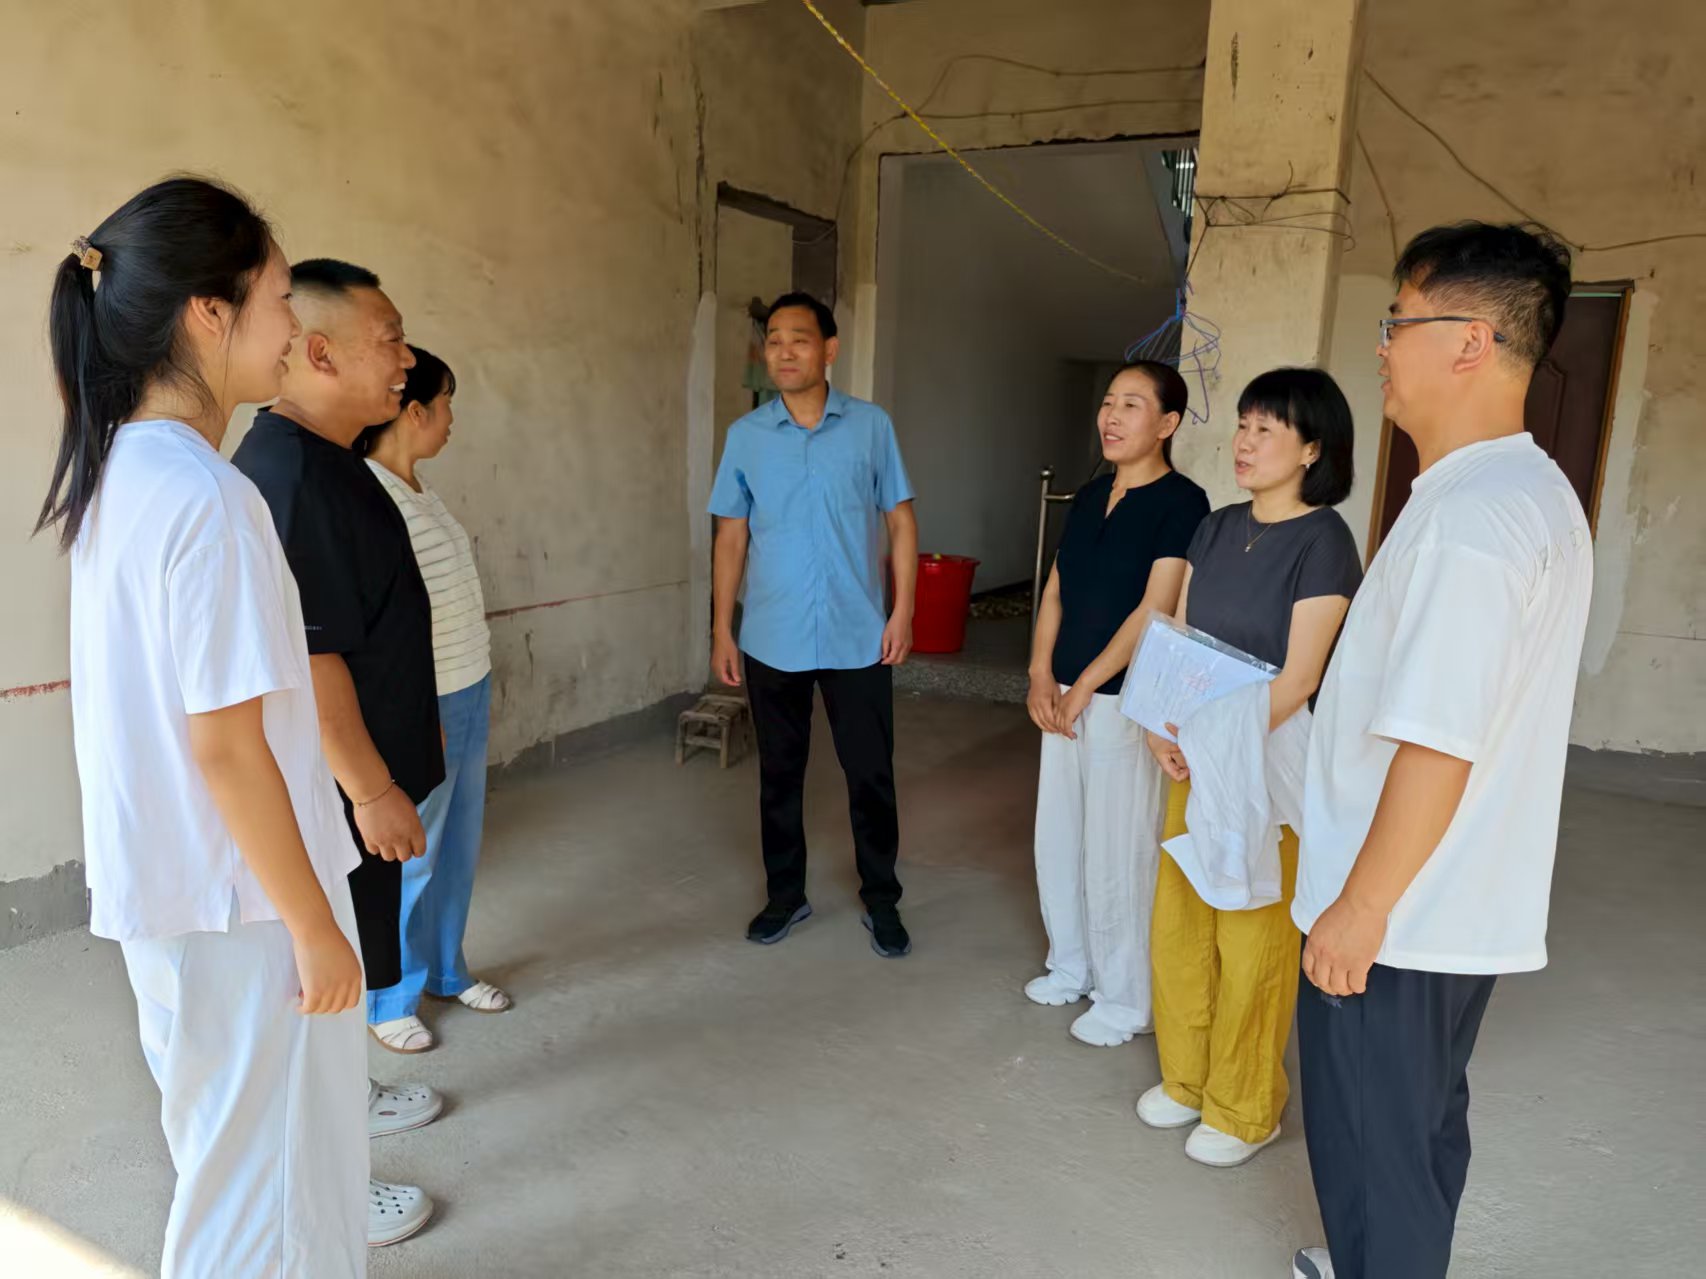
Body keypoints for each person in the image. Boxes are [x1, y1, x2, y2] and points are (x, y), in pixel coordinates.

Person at [38, 176, 369, 1275]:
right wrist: (315, 925)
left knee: (235, 1173)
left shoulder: (121, 475)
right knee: (260, 1205)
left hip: (181, 902)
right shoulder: (212, 502)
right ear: (208, 314)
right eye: (278, 300)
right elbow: (226, 747)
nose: (292, 330)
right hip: (246, 913)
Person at [1289, 223, 1588, 1279]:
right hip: (1450, 901)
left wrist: (1359, 906)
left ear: (1468, 340)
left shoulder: (1473, 521)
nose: (1380, 347)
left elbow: (1437, 741)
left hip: (1403, 916)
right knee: (1414, 1132)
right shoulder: (1518, 492)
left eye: (1397, 321)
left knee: (1377, 1148)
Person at [232, 259, 441, 1247]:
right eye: (389, 338)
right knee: (314, 989)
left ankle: (348, 1105)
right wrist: (373, 787)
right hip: (333, 799)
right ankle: (331, 1193)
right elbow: (313, 664)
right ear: (319, 352)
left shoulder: (327, 459)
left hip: (351, 793)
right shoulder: (293, 479)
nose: (406, 358)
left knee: (348, 975)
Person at [1137, 366, 1363, 1169]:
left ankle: (1245, 1105)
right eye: (1243, 423)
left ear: (1312, 449)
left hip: (1270, 766)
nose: (1245, 440)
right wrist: (1162, 721)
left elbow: (1297, 679)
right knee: (1182, 924)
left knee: (1253, 935)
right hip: (1196, 756)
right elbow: (1181, 636)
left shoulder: (1325, 540)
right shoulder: (1217, 525)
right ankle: (1188, 1077)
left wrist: (1205, 736)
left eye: (1268, 428)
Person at [709, 291, 920, 957]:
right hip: (772, 634)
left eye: (798, 338)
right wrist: (722, 628)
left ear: (829, 349)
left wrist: (903, 610)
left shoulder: (870, 427)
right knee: (779, 773)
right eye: (773, 339)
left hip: (859, 634)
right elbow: (731, 537)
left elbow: (900, 521)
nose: (783, 351)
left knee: (870, 773)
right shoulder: (746, 437)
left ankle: (881, 898)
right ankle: (785, 894)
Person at [1024, 362, 1208, 1047]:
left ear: (1167, 423)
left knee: (1117, 848)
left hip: (1124, 700)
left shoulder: (1182, 502)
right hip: (1062, 697)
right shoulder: (1090, 495)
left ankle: (1125, 996)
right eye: (1109, 402)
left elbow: (1155, 609)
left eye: (1132, 404)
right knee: (1058, 836)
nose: (1112, 415)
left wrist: (1085, 684)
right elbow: (1056, 589)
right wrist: (1040, 673)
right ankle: (1070, 963)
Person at [354, 345, 512, 1053]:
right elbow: (384, 628)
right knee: (411, 853)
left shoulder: (419, 490)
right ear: (413, 411)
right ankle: (390, 997)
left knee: (456, 847)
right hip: (424, 704)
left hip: (467, 686)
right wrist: (417, 714)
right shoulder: (369, 495)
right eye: (446, 404)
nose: (452, 419)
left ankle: (448, 968)